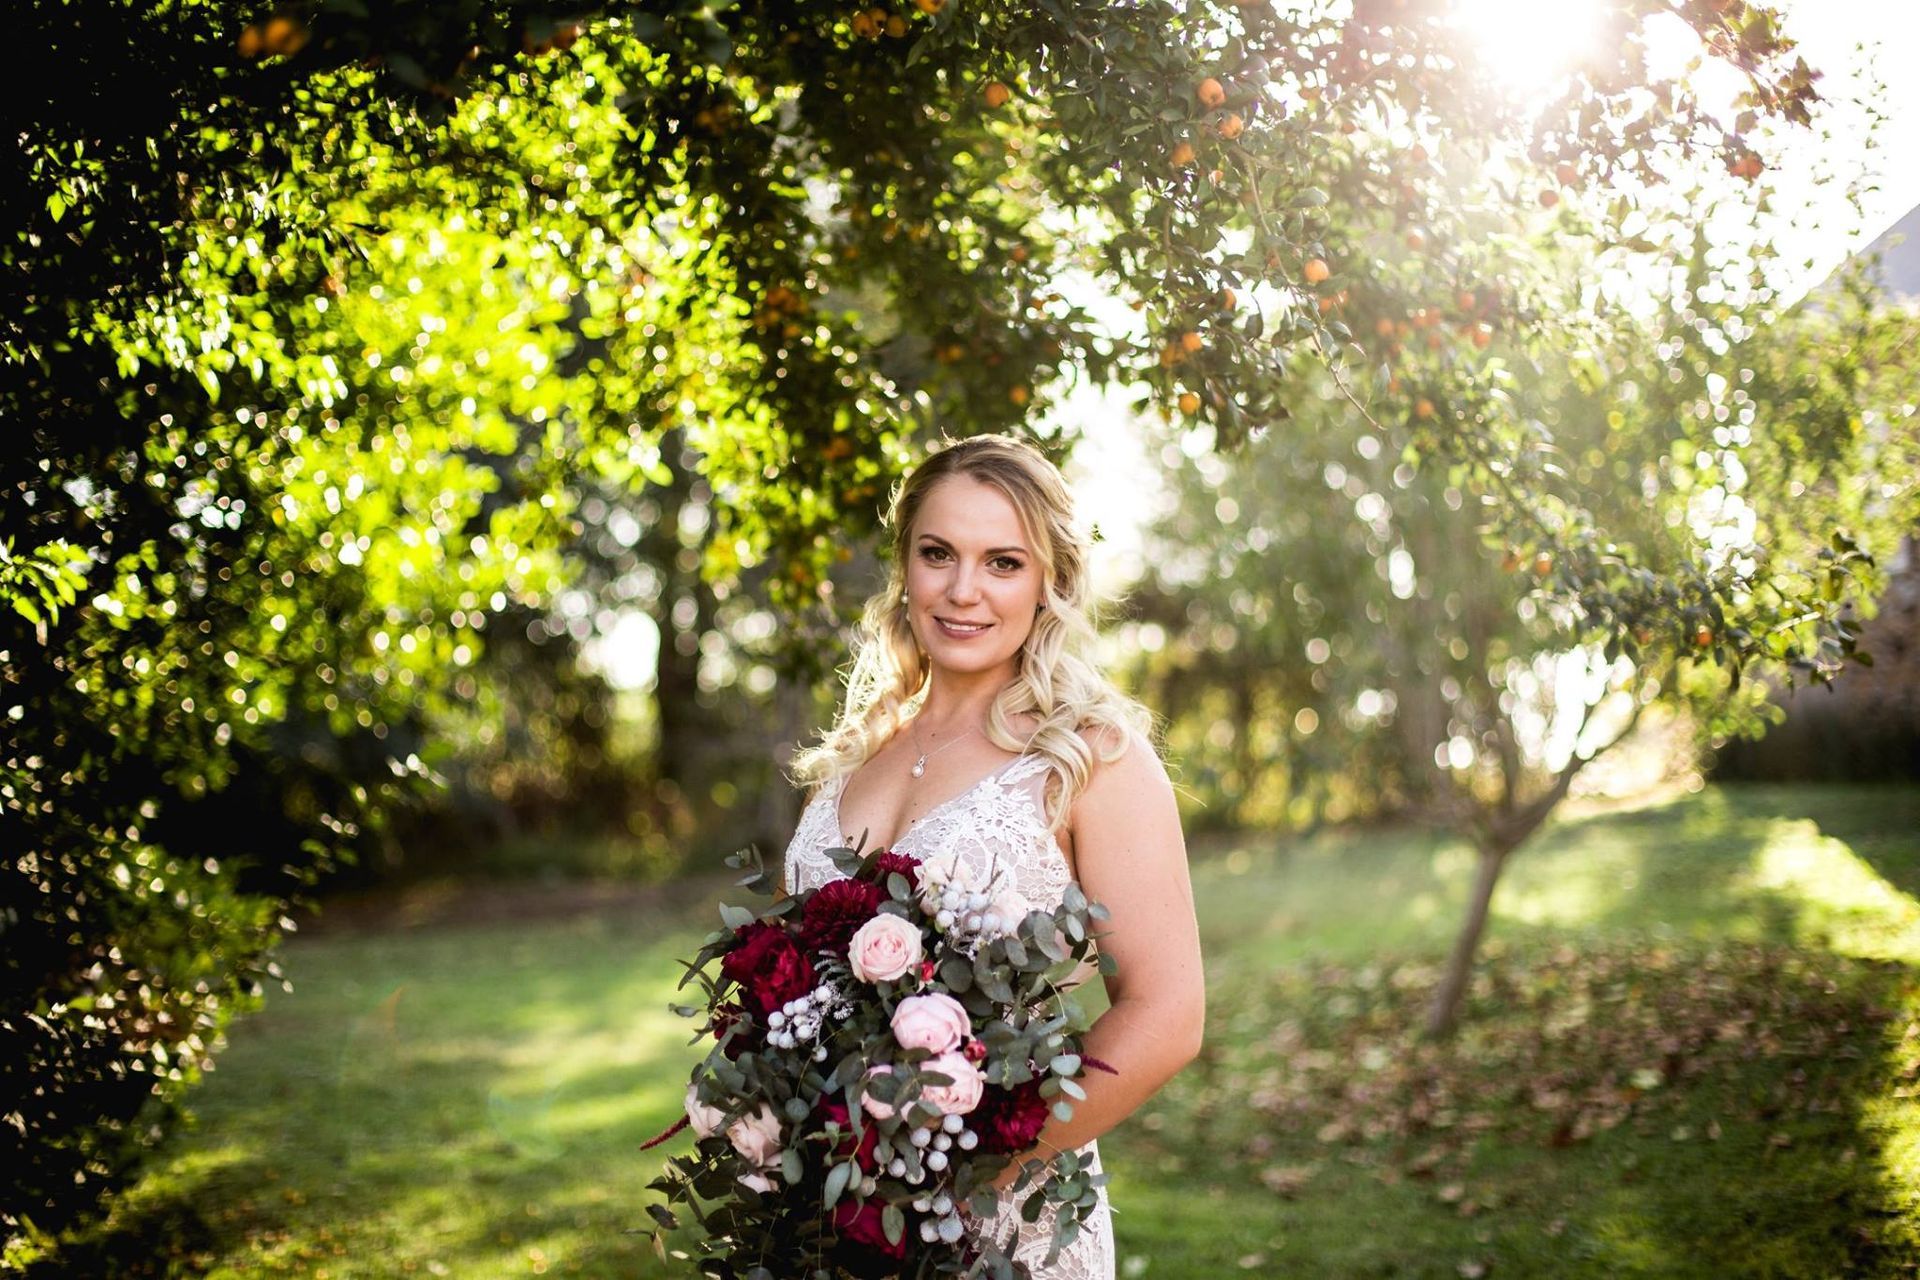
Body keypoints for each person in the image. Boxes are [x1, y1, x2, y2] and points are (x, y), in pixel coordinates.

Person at [781, 433, 1205, 1279]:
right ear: (904, 564)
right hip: (828, 1213)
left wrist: (968, 1170)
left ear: (1050, 580)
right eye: (938, 554)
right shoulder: (857, 753)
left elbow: (1167, 1015)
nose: (962, 590)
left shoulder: (1090, 758)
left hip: (996, 1222)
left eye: (1002, 562)